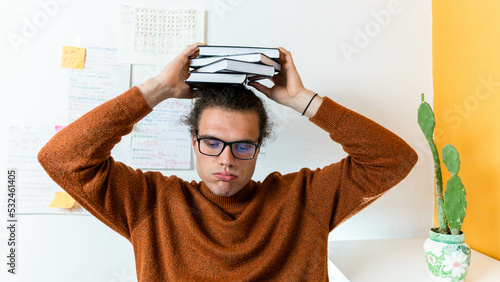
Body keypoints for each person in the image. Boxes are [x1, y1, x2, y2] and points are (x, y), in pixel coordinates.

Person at [38, 43, 418, 281]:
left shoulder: (304, 200)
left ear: (258, 147)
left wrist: (301, 99)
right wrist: (158, 90)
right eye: (213, 142)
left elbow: (393, 160)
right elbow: (62, 158)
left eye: (241, 146)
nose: (226, 159)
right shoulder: (150, 202)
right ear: (194, 142)